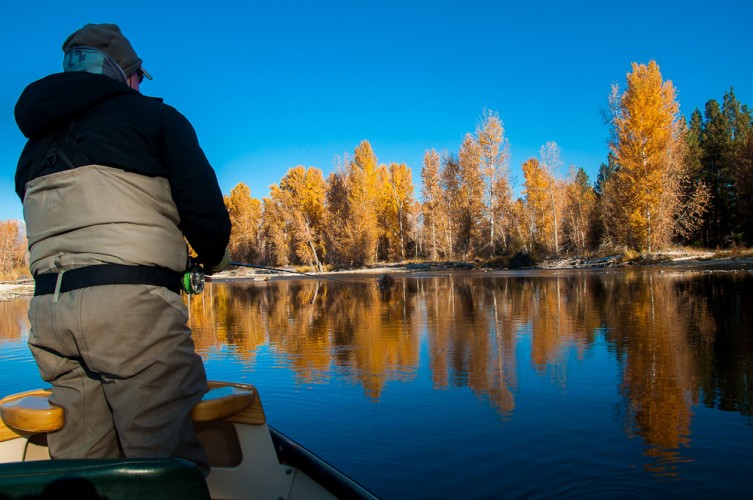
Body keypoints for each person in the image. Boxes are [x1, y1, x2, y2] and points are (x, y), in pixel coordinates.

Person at [14, 23, 231, 475]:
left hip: (50, 318)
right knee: (164, 461)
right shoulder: (155, 119)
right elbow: (205, 212)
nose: (139, 85)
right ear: (121, 73)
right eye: (136, 77)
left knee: (82, 463)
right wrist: (213, 258)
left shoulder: (33, 148)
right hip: (133, 317)